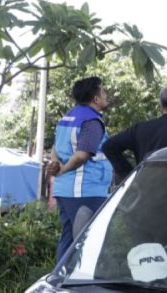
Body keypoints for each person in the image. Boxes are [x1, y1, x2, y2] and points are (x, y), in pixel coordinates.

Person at [48, 76, 113, 262]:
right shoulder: (92, 121)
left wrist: (56, 165)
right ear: (96, 99)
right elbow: (81, 156)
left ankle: (60, 281)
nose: (105, 94)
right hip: (85, 191)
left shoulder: (67, 118)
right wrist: (63, 170)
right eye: (103, 90)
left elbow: (55, 149)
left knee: (68, 240)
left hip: (65, 190)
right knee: (86, 243)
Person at [103, 85, 167, 180]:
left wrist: (129, 176)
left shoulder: (140, 128)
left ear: (160, 104)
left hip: (142, 191)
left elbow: (108, 146)